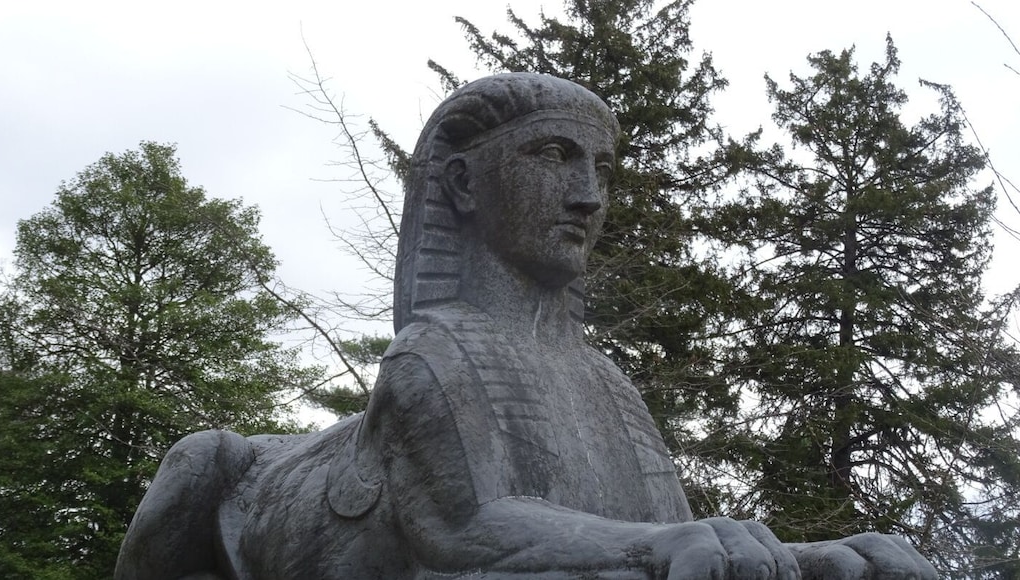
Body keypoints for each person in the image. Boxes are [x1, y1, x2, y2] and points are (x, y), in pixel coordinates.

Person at [116, 73, 937, 580]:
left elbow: (686, 546)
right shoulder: (429, 355)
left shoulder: (606, 382)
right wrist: (665, 548)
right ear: (467, 185)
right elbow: (468, 534)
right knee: (202, 458)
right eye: (552, 156)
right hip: (255, 520)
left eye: (601, 169)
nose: (589, 196)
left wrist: (822, 558)